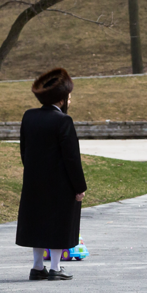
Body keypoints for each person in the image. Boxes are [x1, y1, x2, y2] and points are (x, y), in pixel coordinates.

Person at [16, 68, 87, 280]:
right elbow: (71, 158)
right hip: (60, 183)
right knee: (59, 224)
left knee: (37, 222)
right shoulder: (64, 121)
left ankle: (37, 267)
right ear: (62, 100)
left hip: (34, 180)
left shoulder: (29, 117)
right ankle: (55, 268)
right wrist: (79, 187)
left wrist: (32, 172)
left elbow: (24, 150)